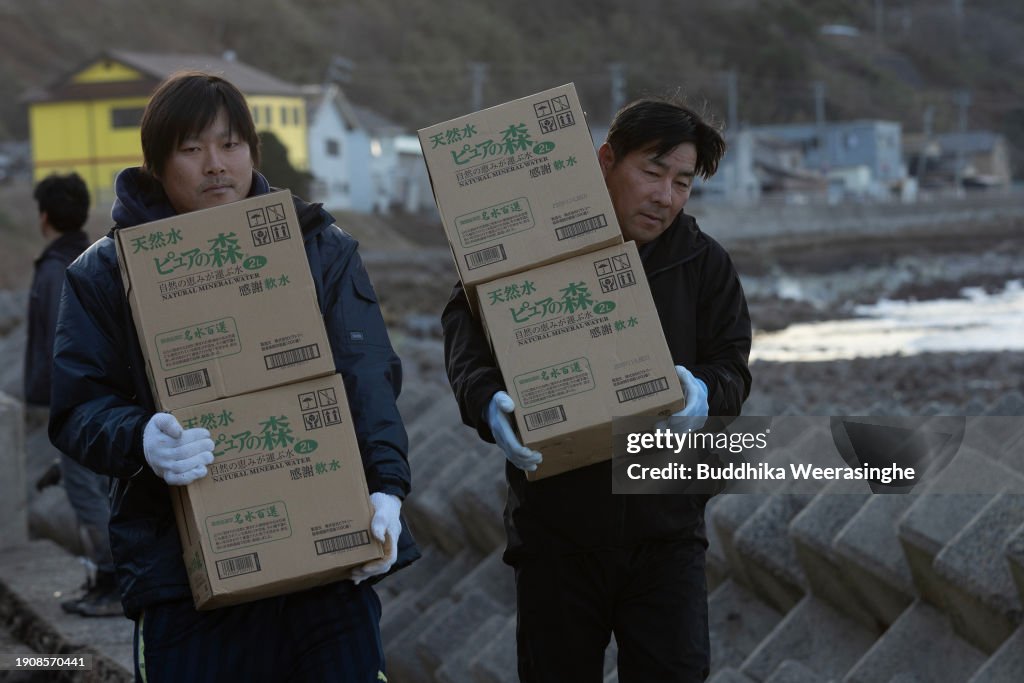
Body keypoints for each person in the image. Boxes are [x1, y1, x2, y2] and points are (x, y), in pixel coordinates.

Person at [49, 71, 419, 681]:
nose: (216, 165)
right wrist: (142, 439)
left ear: (253, 151)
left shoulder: (318, 246)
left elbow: (368, 376)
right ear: (158, 164)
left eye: (231, 144)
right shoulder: (105, 273)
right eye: (192, 149)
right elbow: (77, 405)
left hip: (326, 570)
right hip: (183, 581)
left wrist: (386, 488)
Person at [442, 97, 752, 681]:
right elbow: (467, 324)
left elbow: (733, 364)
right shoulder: (537, 247)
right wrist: (487, 401)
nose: (665, 196)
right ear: (606, 160)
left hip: (669, 531)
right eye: (652, 172)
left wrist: (704, 392)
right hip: (557, 530)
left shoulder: (704, 265)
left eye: (682, 182)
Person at [24, 173, 122, 617]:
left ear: (44, 218)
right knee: (101, 489)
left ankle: (113, 582)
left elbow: (56, 347)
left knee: (86, 493)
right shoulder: (98, 258)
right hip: (106, 399)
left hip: (75, 404)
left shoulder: (53, 271)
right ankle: (110, 577)